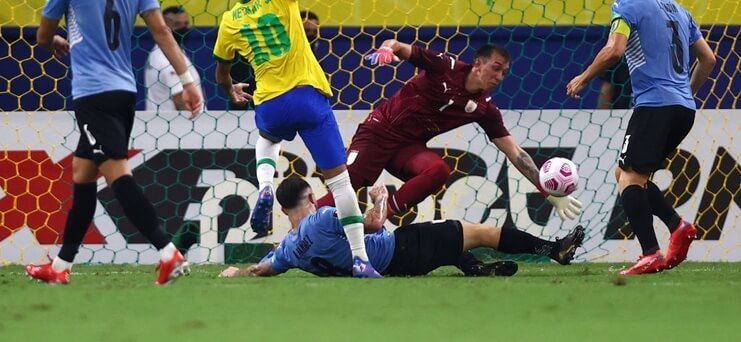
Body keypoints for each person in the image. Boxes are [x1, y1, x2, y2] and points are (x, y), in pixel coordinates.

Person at [26, 0, 203, 285]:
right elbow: (161, 32)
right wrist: (188, 79)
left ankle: (167, 251)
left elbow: (42, 35)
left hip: (92, 94)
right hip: (124, 93)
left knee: (117, 175)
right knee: (83, 174)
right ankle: (60, 267)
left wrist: (55, 39)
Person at [212, 0, 380, 278]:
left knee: (267, 140)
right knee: (340, 184)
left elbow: (221, 70)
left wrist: (232, 89)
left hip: (270, 103)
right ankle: (360, 259)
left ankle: (266, 185)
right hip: (307, 97)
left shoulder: (229, 22)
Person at [311, 41, 583, 224]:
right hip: (379, 131)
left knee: (439, 170)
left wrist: (548, 192)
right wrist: (385, 49)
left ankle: (382, 213)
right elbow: (398, 47)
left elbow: (515, 152)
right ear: (478, 64)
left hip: (408, 147)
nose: (499, 77)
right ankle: (302, 223)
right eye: (495, 68)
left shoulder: (485, 109)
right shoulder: (445, 67)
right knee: (349, 184)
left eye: (505, 73)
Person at [566, 0, 716, 275]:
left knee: (630, 177)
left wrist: (584, 76)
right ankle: (678, 227)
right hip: (682, 110)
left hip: (654, 105)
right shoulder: (679, 9)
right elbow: (709, 59)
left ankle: (651, 252)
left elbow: (614, 50)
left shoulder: (627, 3)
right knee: (629, 174)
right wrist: (686, 94)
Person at [218, 178, 585, 278]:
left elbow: (263, 269)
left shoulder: (287, 250)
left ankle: (474, 267)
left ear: (283, 209)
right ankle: (553, 250)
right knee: (480, 230)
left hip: (397, 263)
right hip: (399, 251)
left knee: (447, 240)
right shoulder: (323, 217)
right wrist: (379, 195)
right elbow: (375, 222)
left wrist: (236, 272)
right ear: (311, 196)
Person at [144, 5, 205, 111]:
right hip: (176, 124)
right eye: (177, 24)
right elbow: (181, 100)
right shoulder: (167, 57)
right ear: (165, 26)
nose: (183, 28)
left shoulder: (164, 52)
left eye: (186, 23)